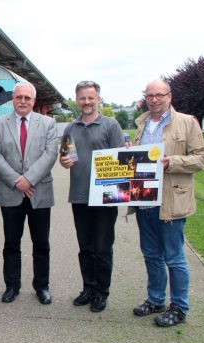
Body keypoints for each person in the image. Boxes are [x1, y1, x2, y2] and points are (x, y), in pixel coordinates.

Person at [129, 80, 204, 326]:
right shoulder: (141, 124)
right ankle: (155, 300)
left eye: (159, 95)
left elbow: (201, 158)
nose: (154, 99)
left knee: (174, 258)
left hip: (171, 200)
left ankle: (179, 307)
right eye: (149, 95)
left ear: (169, 96)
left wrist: (171, 161)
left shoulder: (186, 122)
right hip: (144, 200)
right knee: (151, 255)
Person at [59, 81, 124, 312]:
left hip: (105, 197)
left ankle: (101, 292)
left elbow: (121, 161)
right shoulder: (70, 129)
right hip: (79, 196)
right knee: (85, 247)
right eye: (82, 98)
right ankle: (88, 288)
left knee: (102, 247)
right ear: (76, 100)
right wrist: (65, 161)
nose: (86, 102)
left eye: (91, 98)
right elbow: (65, 158)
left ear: (98, 99)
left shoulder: (111, 125)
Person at [0, 82, 57, 305]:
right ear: (13, 99)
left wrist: (29, 179)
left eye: (27, 98)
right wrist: (17, 181)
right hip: (11, 193)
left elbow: (50, 154)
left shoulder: (48, 123)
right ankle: (12, 286)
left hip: (39, 192)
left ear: (33, 101)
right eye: (19, 97)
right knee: (11, 244)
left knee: (41, 244)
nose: (23, 101)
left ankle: (42, 286)